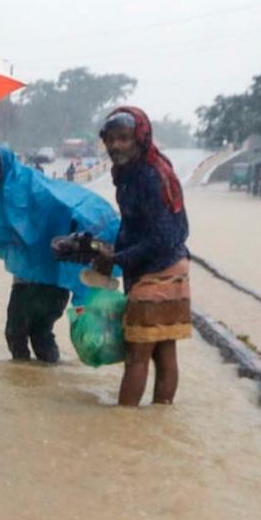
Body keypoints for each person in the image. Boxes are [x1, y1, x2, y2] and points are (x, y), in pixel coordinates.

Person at [0, 146, 120, 363]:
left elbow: (62, 209)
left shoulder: (21, 188)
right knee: (42, 334)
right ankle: (43, 383)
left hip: (33, 281)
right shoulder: (26, 185)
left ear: (6, 166)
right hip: (55, 278)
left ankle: (22, 384)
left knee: (17, 333)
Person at [92, 107, 191, 407]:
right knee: (163, 350)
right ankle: (159, 417)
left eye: (124, 138)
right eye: (111, 139)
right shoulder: (128, 175)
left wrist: (118, 259)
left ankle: (124, 426)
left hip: (159, 271)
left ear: (140, 138)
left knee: (137, 356)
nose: (116, 146)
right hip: (170, 267)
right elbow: (133, 224)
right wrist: (112, 250)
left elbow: (162, 237)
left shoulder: (150, 176)